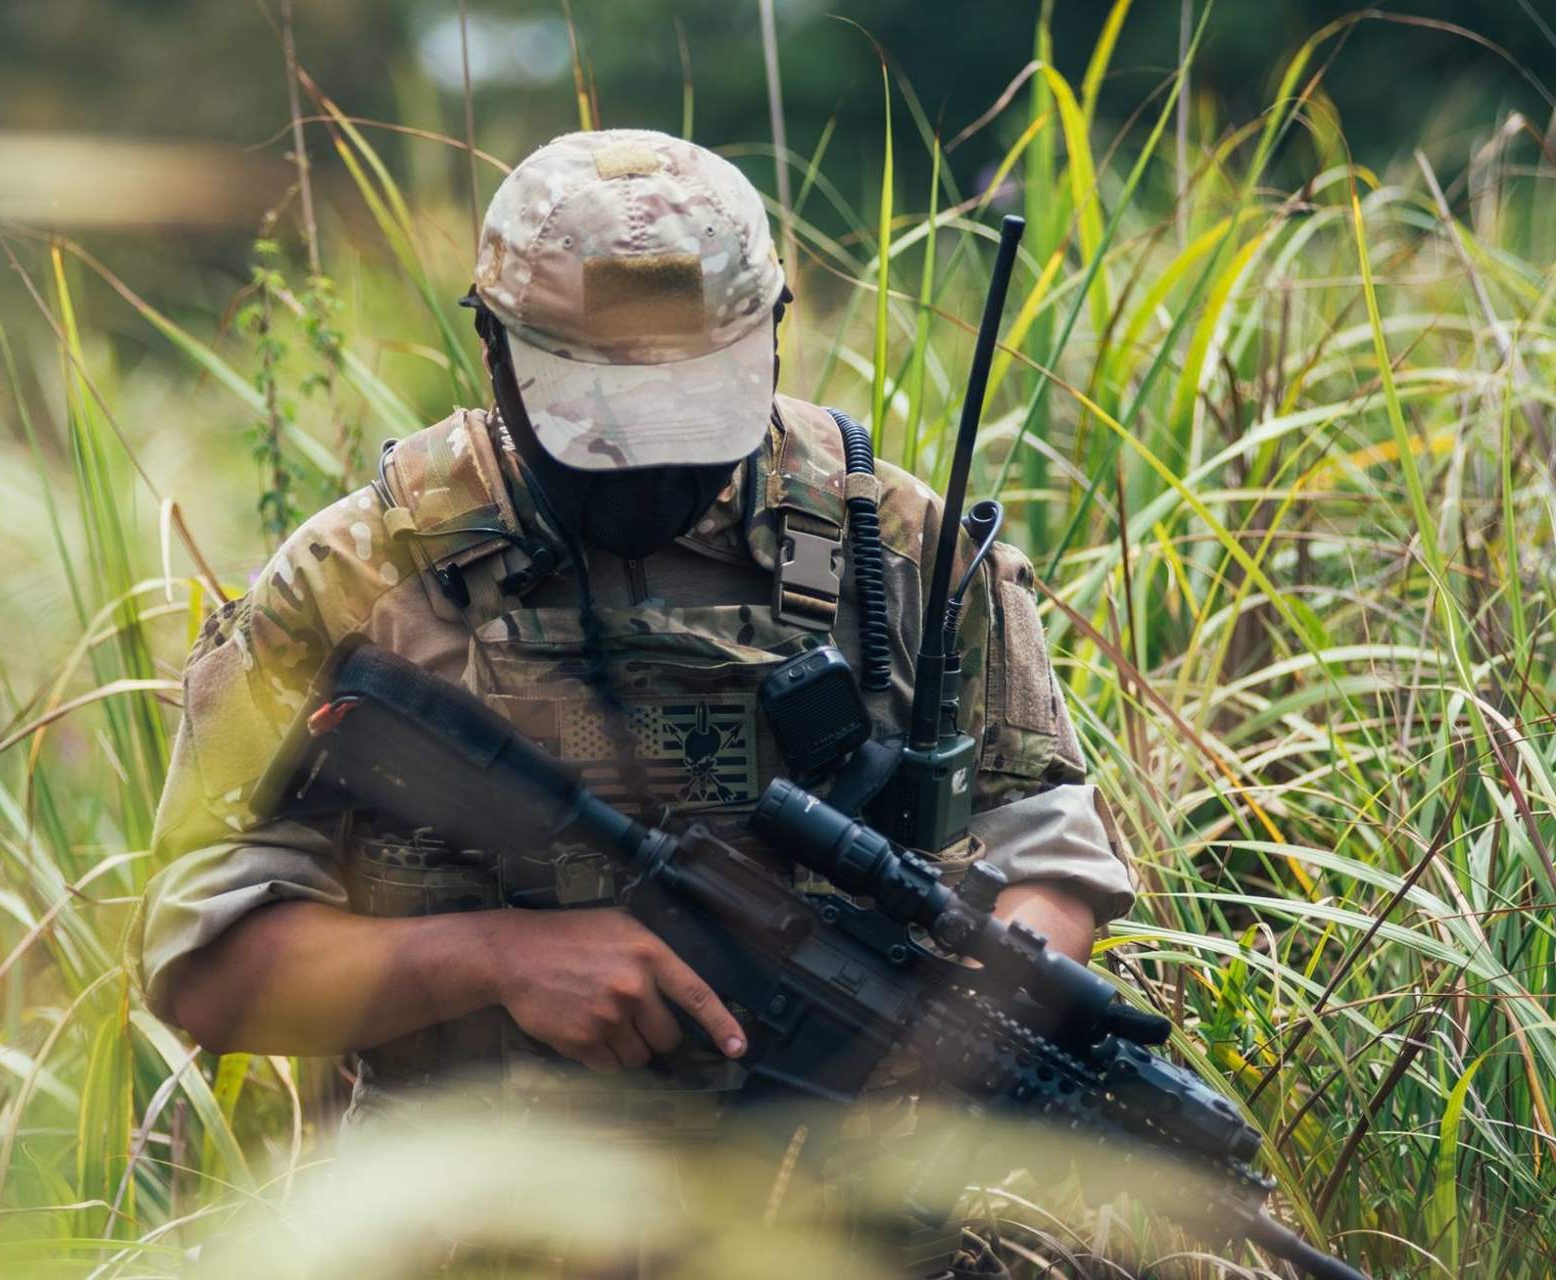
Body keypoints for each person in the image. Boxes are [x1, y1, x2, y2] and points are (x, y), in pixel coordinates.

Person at [135, 128, 1133, 1161]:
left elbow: (1046, 847)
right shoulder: (359, 575)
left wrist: (972, 1033)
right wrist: (492, 957)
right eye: (598, 417)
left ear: (772, 339)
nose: (647, 470)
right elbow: (206, 967)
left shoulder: (897, 549)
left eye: (692, 411)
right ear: (497, 352)